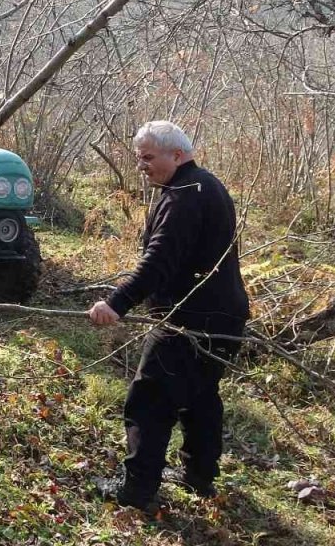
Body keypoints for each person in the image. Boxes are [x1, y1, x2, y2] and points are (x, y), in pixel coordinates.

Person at [87, 121, 249, 510]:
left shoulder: (184, 197)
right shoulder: (202, 183)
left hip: (192, 319)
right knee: (201, 395)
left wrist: (116, 303)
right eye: (138, 158)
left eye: (148, 157)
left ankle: (136, 492)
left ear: (177, 155)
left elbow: (158, 260)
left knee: (149, 399)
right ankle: (200, 477)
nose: (141, 166)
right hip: (225, 316)